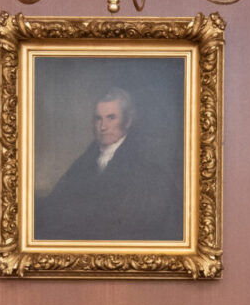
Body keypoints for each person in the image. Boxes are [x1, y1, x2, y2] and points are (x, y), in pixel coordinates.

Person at [34, 89, 180, 242]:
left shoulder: (148, 172)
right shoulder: (84, 162)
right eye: (98, 119)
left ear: (128, 121)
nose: (103, 127)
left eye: (111, 118)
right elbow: (57, 203)